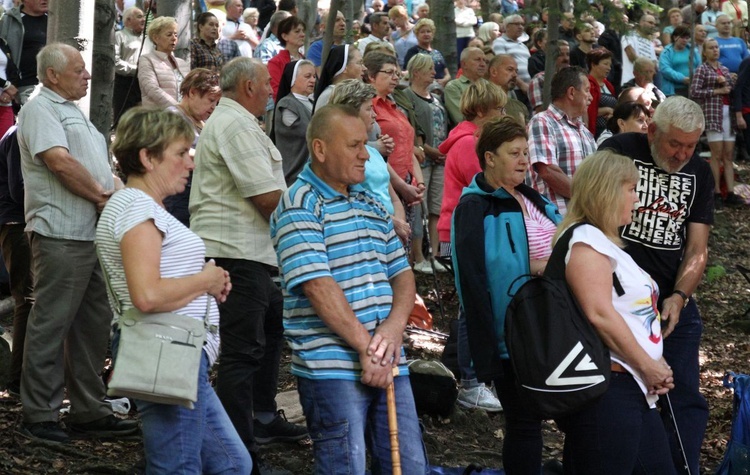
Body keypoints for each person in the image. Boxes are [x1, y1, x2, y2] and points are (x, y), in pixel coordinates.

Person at [270, 104, 428, 474]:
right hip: (332, 368)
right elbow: (318, 287)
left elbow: (402, 275)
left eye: (366, 143)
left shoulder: (370, 202)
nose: (366, 154)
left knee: (408, 467)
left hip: (388, 359)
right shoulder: (299, 204)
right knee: (346, 466)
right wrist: (366, 348)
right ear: (321, 149)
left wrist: (389, 334)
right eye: (355, 145)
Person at [96, 107, 251, 474]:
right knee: (178, 467)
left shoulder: (137, 206)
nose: (190, 163)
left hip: (175, 354)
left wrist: (204, 280)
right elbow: (147, 295)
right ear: (148, 157)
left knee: (232, 463)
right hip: (165, 351)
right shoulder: (136, 208)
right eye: (180, 153)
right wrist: (206, 280)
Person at [189, 58, 308, 468]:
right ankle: (239, 454)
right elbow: (266, 197)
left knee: (271, 331)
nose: (272, 91)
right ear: (246, 87)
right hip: (235, 254)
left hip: (251, 253)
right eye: (266, 84)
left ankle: (260, 417)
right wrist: (308, 225)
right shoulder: (236, 125)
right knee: (241, 354)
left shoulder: (239, 122)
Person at [17, 43, 138, 443]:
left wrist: (120, 200)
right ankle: (39, 415)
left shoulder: (73, 112)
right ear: (52, 75)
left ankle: (89, 409)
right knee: (51, 324)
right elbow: (58, 161)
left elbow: (100, 169)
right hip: (60, 234)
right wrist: (102, 198)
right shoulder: (39, 108)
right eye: (79, 70)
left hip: (92, 235)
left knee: (92, 325)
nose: (87, 75)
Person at [599, 96, 712, 475]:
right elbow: (591, 220)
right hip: (618, 299)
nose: (682, 154)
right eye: (674, 144)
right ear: (651, 130)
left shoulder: (699, 171)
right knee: (622, 397)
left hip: (671, 299)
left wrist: (680, 297)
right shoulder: (618, 150)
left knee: (683, 398)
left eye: (690, 145)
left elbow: (697, 248)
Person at [553, 150, 677, 474]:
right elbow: (599, 314)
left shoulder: (606, 243)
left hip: (633, 385)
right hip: (610, 389)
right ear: (607, 191)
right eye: (631, 190)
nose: (637, 199)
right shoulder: (586, 242)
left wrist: (653, 362)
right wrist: (647, 364)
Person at [453, 116, 562, 473]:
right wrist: (539, 266)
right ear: (489, 157)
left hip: (555, 326)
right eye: (513, 152)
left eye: (525, 152)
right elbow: (473, 280)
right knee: (525, 423)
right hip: (513, 335)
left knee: (574, 416)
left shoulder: (532, 197)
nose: (522, 160)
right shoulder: (474, 208)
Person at [437, 79, 506, 412]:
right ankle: (470, 382)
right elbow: (488, 184)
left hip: (475, 233)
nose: (504, 114)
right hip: (459, 234)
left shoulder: (476, 141)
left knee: (478, 304)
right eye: (499, 109)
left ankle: (471, 373)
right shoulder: (468, 144)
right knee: (471, 307)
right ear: (481, 111)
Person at [365, 52, 425, 254]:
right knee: (392, 246)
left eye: (397, 73)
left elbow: (407, 145)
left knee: (404, 243)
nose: (395, 77)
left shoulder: (393, 105)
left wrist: (418, 180)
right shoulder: (368, 108)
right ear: (371, 76)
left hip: (406, 180)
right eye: (389, 72)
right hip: (386, 181)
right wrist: (401, 184)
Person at [528, 66, 596, 216]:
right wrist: (587, 198)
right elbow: (548, 171)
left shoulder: (586, 133)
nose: (590, 97)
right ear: (571, 92)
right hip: (553, 222)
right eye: (587, 90)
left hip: (584, 221)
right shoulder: (542, 121)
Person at [404, 54, 448, 273]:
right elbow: (409, 129)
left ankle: (436, 254)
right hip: (421, 160)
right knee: (419, 209)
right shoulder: (407, 96)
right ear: (416, 72)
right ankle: (418, 256)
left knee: (436, 209)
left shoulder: (436, 96)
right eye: (429, 69)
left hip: (440, 160)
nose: (434, 72)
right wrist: (429, 150)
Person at [163, 68, 222, 226]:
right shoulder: (173, 116)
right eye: (210, 100)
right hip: (176, 199)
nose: (213, 107)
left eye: (216, 102)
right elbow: (173, 152)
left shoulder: (204, 123)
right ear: (192, 92)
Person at [691, 37, 744, 208]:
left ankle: (730, 192)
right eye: (711, 48)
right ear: (704, 52)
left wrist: (730, 84)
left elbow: (731, 90)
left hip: (728, 114)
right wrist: (716, 89)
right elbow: (694, 92)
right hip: (713, 114)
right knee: (716, 154)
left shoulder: (725, 69)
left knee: (728, 155)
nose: (715, 50)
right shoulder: (702, 70)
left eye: (717, 47)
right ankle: (715, 193)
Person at [0, 126, 29, 398]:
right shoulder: (19, 134)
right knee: (27, 299)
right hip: (17, 222)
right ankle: (17, 382)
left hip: (26, 221)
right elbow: (18, 186)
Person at [272, 60, 316, 185]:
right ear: (293, 79)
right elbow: (307, 132)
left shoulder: (311, 102)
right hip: (295, 175)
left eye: (314, 76)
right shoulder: (287, 104)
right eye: (307, 76)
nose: (313, 80)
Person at [0, 0, 47, 106]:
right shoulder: (10, 19)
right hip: (23, 86)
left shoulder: (55, 20)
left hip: (52, 85)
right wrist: (7, 85)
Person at [138, 16, 190, 108]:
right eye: (169, 34)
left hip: (183, 117)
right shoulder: (146, 60)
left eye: (176, 35)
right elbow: (152, 89)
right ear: (156, 38)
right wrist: (178, 109)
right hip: (159, 118)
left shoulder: (182, 63)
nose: (174, 38)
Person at [113, 7, 149, 126]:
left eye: (144, 16)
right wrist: (137, 70)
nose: (143, 19)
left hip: (143, 83)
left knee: (142, 120)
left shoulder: (148, 39)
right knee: (124, 120)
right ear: (128, 20)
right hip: (124, 84)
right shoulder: (119, 36)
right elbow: (115, 62)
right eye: (139, 17)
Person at [313, 44, 365, 111]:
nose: (364, 68)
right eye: (359, 63)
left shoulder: (355, 92)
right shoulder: (329, 96)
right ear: (344, 68)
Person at [493, 15, 531, 106]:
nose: (521, 27)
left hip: (528, 88)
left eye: (522, 24)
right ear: (507, 26)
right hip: (514, 89)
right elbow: (503, 66)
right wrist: (521, 84)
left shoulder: (523, 45)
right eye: (517, 24)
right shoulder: (499, 42)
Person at [402, 18, 451, 89]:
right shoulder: (413, 51)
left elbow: (447, 74)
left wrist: (444, 80)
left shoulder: (437, 52)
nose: (426, 34)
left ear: (433, 34)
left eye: (428, 31)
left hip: (441, 88)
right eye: (422, 32)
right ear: (417, 35)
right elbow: (408, 73)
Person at [444, 47, 488, 125]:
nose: (483, 64)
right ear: (464, 64)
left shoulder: (489, 85)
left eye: (484, 60)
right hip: (469, 134)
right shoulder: (454, 87)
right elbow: (461, 118)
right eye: (478, 60)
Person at [267, 15, 306, 100]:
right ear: (285, 36)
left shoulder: (305, 60)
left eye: (303, 31)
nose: (302, 34)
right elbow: (276, 92)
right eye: (297, 31)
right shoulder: (275, 62)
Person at [659, 26, 700, 97]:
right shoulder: (667, 52)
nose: (685, 40)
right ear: (675, 37)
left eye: (687, 38)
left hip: (692, 88)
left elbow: (699, 66)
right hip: (674, 90)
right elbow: (665, 69)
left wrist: (694, 77)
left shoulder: (693, 50)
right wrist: (682, 79)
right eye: (682, 37)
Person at [488, 54, 529, 124]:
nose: (515, 75)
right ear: (493, 71)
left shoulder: (520, 106)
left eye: (516, 71)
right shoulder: (480, 101)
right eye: (510, 69)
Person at [587, 48, 616, 138]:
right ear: (593, 65)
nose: (609, 68)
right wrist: (606, 110)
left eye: (610, 65)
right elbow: (585, 110)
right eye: (605, 64)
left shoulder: (609, 86)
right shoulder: (587, 84)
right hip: (594, 132)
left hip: (608, 131)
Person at [621, 14, 657, 87]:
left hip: (647, 85)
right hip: (630, 82)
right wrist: (647, 67)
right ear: (641, 22)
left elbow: (654, 63)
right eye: (650, 22)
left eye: (654, 24)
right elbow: (631, 56)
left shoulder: (649, 42)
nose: (653, 25)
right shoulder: (628, 35)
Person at [0, 36, 19, 136]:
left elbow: (13, 70)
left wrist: (8, 91)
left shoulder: (2, 42)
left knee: (5, 146)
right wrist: (6, 85)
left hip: (5, 102)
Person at [389, 5, 416, 69]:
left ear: (402, 16)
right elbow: (393, 55)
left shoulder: (417, 29)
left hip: (417, 66)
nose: (393, 22)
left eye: (394, 19)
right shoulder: (394, 35)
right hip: (401, 69)